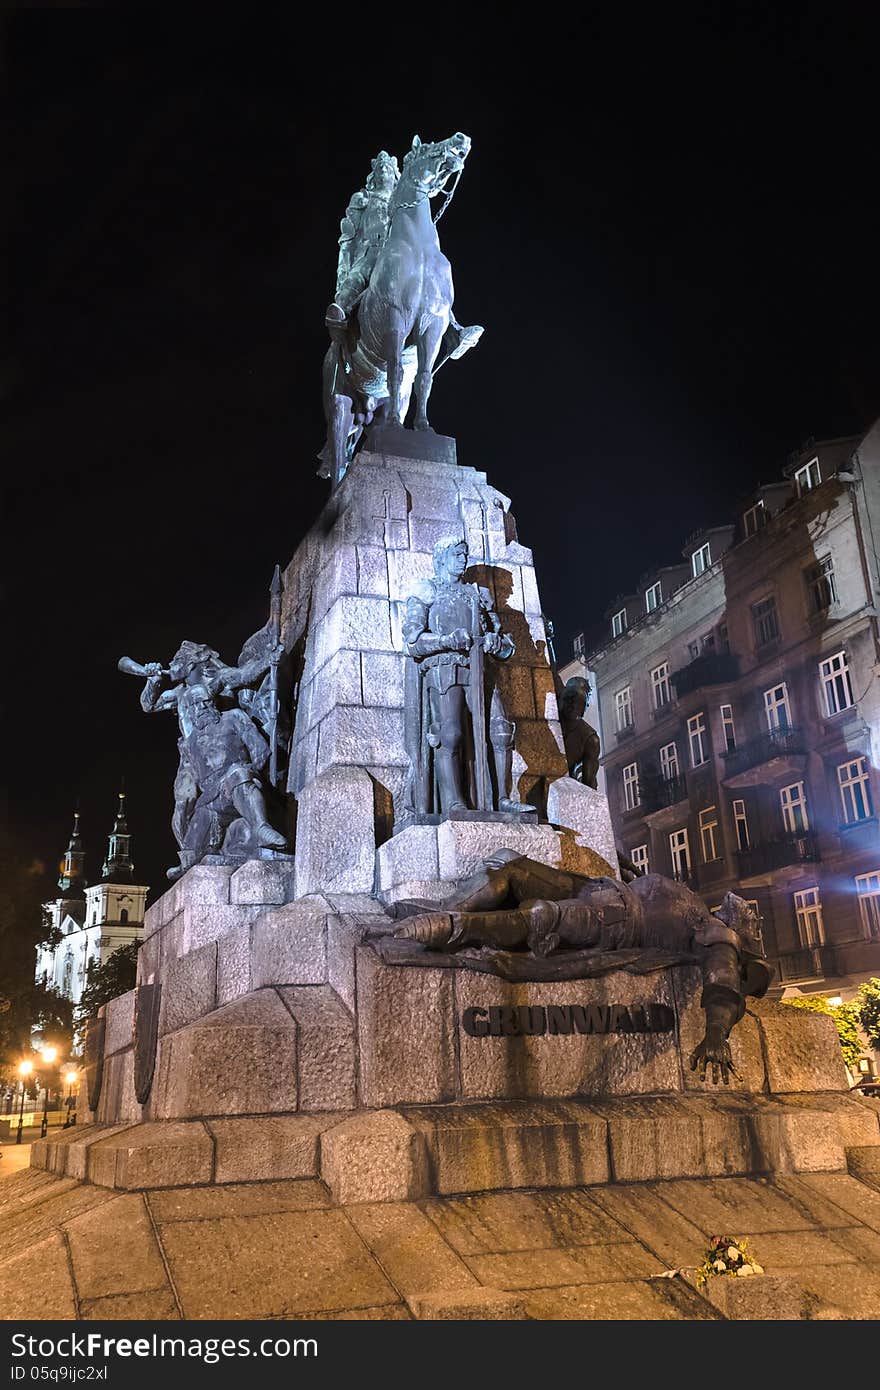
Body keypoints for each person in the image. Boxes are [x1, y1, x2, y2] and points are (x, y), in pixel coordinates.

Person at [394, 849, 770, 1084]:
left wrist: (717, 1034)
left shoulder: (719, 934)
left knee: (544, 917)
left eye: (748, 918)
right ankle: (449, 908)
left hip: (616, 918)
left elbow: (721, 982)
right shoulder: (698, 909)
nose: (743, 909)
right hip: (594, 887)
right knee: (510, 865)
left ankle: (453, 929)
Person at [402, 537, 531, 816]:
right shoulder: (427, 591)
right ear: (443, 557)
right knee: (449, 734)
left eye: (465, 554)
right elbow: (413, 641)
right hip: (444, 668)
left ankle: (503, 798)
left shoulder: (478, 594)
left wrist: (496, 644)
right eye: (457, 554)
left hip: (480, 671)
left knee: (500, 730)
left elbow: (502, 642)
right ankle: (453, 801)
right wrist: (447, 640)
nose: (463, 559)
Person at [138, 638, 286, 878]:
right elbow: (149, 705)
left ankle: (258, 826)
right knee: (184, 804)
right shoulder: (177, 693)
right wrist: (153, 682)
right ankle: (189, 854)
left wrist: (268, 661)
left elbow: (244, 675)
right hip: (192, 755)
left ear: (190, 664)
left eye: (177, 660)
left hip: (222, 748)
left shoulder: (216, 682)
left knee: (234, 779)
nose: (172, 664)